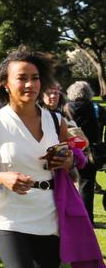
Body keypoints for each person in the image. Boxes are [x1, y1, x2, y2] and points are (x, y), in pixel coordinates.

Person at [0, 50, 80, 268]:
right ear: (5, 83)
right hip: (9, 215)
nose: (30, 85)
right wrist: (2, 177)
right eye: (22, 78)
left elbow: (71, 165)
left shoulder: (56, 120)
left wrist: (68, 162)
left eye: (35, 78)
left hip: (49, 212)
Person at [64, 81, 101, 223]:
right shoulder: (93, 107)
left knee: (72, 183)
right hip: (89, 150)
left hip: (72, 148)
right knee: (87, 184)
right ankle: (87, 217)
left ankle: (73, 215)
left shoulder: (67, 107)